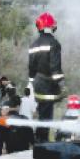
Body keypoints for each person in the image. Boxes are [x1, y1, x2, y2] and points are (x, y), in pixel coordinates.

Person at [29, 12, 65, 143]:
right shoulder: (54, 43)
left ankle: (39, 139)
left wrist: (32, 83)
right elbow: (55, 67)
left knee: (42, 113)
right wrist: (62, 84)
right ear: (51, 26)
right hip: (48, 85)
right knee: (47, 116)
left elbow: (31, 68)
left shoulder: (33, 45)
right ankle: (43, 142)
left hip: (38, 84)